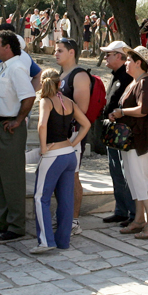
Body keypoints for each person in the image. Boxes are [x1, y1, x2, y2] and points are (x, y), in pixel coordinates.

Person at [0, 31, 37, 241]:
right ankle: (2, 220)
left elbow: (29, 96)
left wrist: (18, 120)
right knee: (1, 177)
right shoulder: (5, 68)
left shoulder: (16, 69)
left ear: (8, 47)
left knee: (12, 178)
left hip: (9, 127)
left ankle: (16, 224)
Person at [31, 69, 91, 254]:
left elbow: (42, 125)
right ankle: (63, 240)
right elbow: (86, 124)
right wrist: (73, 142)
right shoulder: (69, 102)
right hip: (69, 154)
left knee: (41, 198)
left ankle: (45, 241)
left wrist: (42, 148)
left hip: (53, 155)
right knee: (66, 200)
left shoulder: (46, 101)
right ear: (59, 84)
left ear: (43, 83)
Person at [111, 46, 148, 239]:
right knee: (133, 180)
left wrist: (122, 112)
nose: (126, 63)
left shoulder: (146, 83)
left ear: (139, 62)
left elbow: (143, 110)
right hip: (131, 140)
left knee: (141, 179)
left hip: (141, 140)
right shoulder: (135, 82)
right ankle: (139, 219)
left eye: (129, 60)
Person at [55, 37, 92, 235]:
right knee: (59, 175)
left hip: (74, 134)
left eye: (60, 50)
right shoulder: (62, 74)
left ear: (72, 52)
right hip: (59, 135)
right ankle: (63, 214)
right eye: (56, 50)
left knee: (73, 175)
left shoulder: (79, 76)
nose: (56, 53)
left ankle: (74, 220)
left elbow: (81, 109)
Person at [98, 40, 137, 226]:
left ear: (120, 56)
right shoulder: (115, 76)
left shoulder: (129, 77)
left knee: (125, 172)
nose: (105, 57)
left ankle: (132, 213)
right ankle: (121, 210)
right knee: (116, 172)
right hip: (112, 131)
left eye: (109, 54)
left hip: (124, 133)